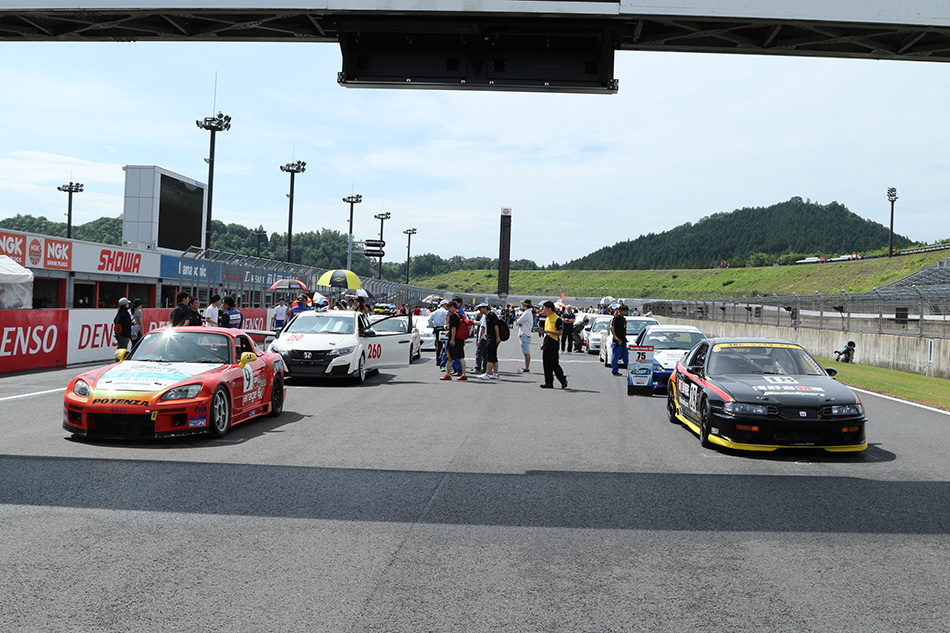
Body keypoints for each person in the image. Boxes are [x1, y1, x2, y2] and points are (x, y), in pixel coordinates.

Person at [539, 300, 567, 389]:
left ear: (550, 309)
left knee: (554, 364)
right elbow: (545, 333)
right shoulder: (547, 318)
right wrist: (542, 343)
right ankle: (548, 382)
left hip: (553, 342)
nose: (544, 311)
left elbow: (560, 332)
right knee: (546, 364)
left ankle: (563, 380)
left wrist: (549, 331)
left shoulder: (557, 319)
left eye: (545, 309)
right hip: (547, 341)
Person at [440, 301, 468, 381]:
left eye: (449, 308)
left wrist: (452, 339)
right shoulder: (461, 315)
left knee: (449, 358)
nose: (448, 310)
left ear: (452, 307)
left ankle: (448, 374)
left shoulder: (453, 316)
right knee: (461, 357)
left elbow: (454, 328)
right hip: (460, 339)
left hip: (454, 339)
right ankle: (464, 374)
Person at [477, 303, 501, 380]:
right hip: (490, 337)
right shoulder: (487, 316)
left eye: (480, 308)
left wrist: (497, 337)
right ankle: (496, 373)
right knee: (493, 356)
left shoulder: (491, 315)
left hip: (492, 338)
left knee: (490, 356)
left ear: (485, 308)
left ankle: (487, 374)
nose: (480, 310)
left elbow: (496, 326)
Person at [515, 299, 535, 373]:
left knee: (526, 352)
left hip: (525, 334)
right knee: (526, 351)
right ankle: (526, 367)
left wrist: (519, 321)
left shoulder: (527, 312)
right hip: (525, 333)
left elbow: (519, 321)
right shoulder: (528, 312)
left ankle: (527, 367)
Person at [610, 303, 630, 376]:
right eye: (624, 311)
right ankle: (614, 370)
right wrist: (615, 337)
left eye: (626, 311)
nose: (625, 313)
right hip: (617, 340)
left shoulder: (623, 319)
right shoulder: (616, 318)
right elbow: (612, 327)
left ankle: (629, 370)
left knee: (626, 356)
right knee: (616, 356)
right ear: (620, 311)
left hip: (623, 340)